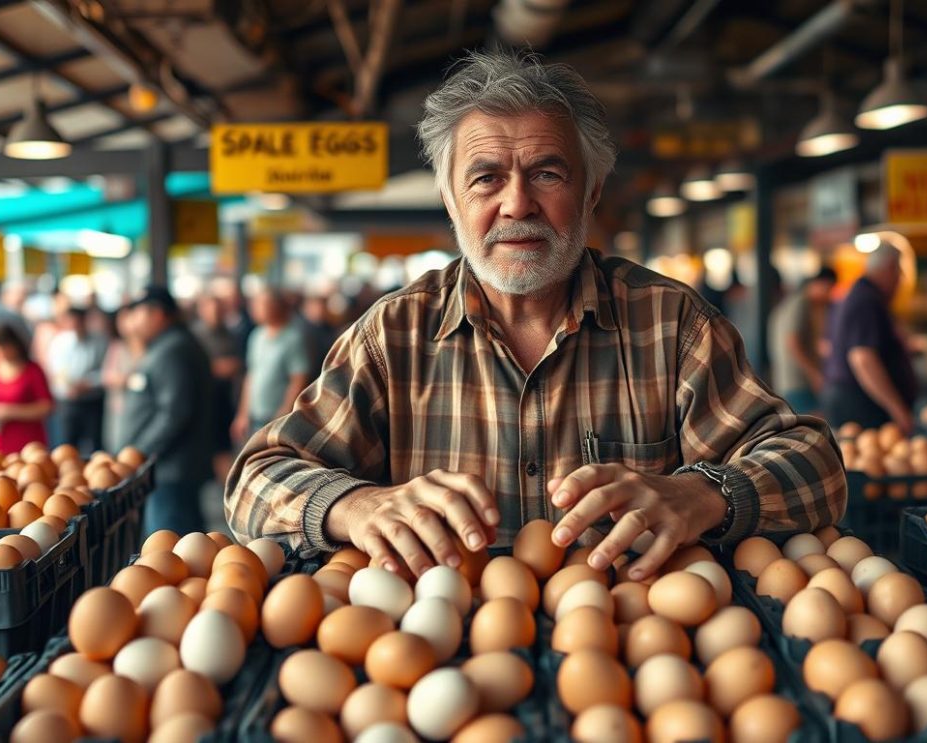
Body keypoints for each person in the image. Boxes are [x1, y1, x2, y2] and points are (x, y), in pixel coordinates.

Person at [226, 50, 845, 580]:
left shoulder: (671, 325)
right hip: (445, 667)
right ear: (450, 201)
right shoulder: (394, 336)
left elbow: (816, 464)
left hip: (623, 658)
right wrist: (355, 507)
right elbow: (255, 479)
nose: (516, 203)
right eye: (486, 179)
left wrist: (701, 493)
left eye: (547, 173)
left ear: (591, 193)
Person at [120, 286, 214, 536]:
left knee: (171, 546)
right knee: (186, 541)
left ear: (158, 314)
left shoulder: (173, 349)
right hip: (171, 466)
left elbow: (174, 412)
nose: (133, 322)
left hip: (170, 468)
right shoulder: (172, 344)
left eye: (137, 313)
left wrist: (139, 450)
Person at [823, 244, 917, 433]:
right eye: (899, 272)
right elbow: (863, 358)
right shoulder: (866, 300)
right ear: (890, 268)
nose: (901, 280)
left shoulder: (858, 294)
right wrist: (897, 409)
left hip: (849, 397)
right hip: (859, 404)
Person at [231, 288, 312, 444]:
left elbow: (299, 379)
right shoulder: (257, 336)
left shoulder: (293, 338)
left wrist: (284, 411)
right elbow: (251, 375)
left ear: (277, 306)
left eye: (261, 304)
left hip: (277, 416)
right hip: (255, 416)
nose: (254, 308)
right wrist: (242, 413)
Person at [0, 324, 54, 454]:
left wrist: (10, 412)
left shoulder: (33, 370)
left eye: (4, 347)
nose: (1, 353)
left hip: (27, 443)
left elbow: (46, 406)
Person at [769, 267, 837, 414]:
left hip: (788, 381)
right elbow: (792, 342)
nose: (829, 296)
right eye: (829, 289)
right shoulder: (800, 303)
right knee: (814, 427)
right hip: (797, 382)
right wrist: (814, 374)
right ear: (821, 284)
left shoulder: (791, 302)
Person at [192, 294, 244, 484]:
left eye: (218, 309)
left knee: (224, 447)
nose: (215, 314)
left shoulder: (230, 333)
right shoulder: (196, 336)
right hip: (205, 400)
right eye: (210, 309)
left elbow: (240, 363)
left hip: (226, 398)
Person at [48, 306, 108, 456]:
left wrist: (88, 384)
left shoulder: (99, 341)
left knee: (95, 443)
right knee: (67, 444)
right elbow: (56, 371)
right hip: (68, 401)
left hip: (92, 398)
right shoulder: (60, 343)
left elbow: (105, 370)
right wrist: (68, 386)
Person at [101, 306, 140, 453]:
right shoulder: (117, 347)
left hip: (139, 409)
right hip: (119, 408)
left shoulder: (148, 348)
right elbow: (107, 376)